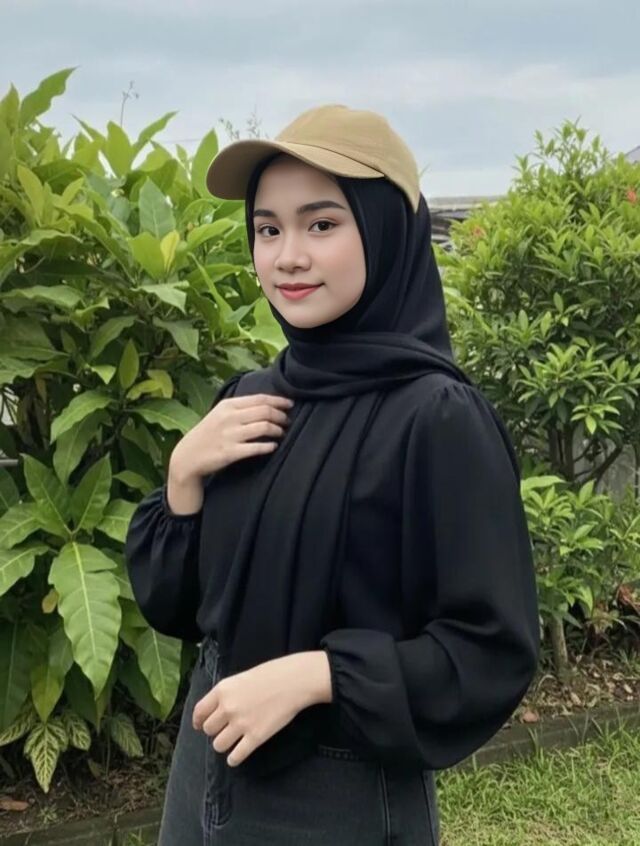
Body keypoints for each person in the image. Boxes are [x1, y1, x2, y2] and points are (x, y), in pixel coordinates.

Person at [124, 104, 540, 845]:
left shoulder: (435, 417)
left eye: (321, 224)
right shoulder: (252, 400)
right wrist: (183, 477)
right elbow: (181, 608)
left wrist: (318, 675)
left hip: (340, 786)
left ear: (385, 230)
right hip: (204, 766)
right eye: (268, 229)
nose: (287, 256)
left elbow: (490, 650)